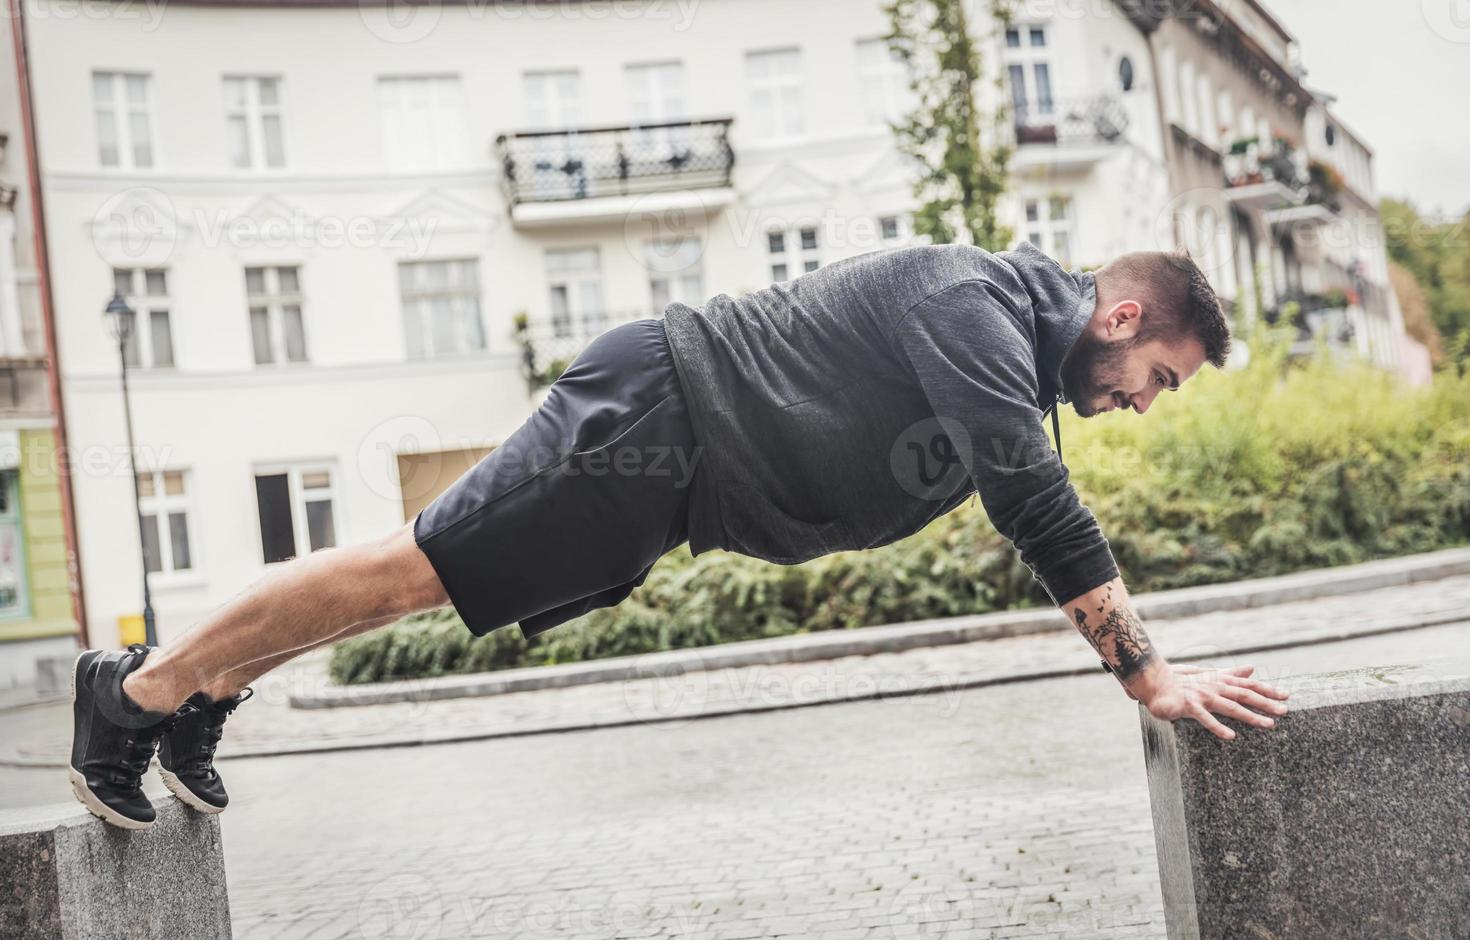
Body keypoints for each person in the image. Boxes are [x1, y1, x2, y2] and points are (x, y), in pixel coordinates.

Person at [70, 241, 1289, 830]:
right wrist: (1151, 675)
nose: (1140, 400)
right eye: (1157, 376)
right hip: (661, 416)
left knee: (426, 587)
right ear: (1122, 314)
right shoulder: (978, 303)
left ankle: (202, 688)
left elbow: (1020, 478)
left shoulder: (1013, 353)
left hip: (673, 476)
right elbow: (1035, 502)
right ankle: (133, 691)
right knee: (412, 565)